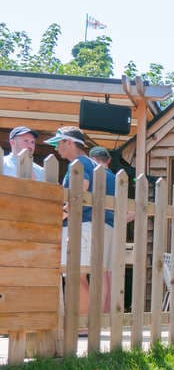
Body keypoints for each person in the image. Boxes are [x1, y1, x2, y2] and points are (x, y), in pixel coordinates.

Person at [47, 126, 116, 315]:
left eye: (57, 143)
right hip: (96, 226)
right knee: (92, 274)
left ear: (69, 142)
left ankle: (82, 325)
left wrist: (59, 216)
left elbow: (79, 193)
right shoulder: (95, 166)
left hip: (82, 226)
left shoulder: (79, 163)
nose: (55, 149)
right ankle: (92, 322)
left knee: (76, 275)